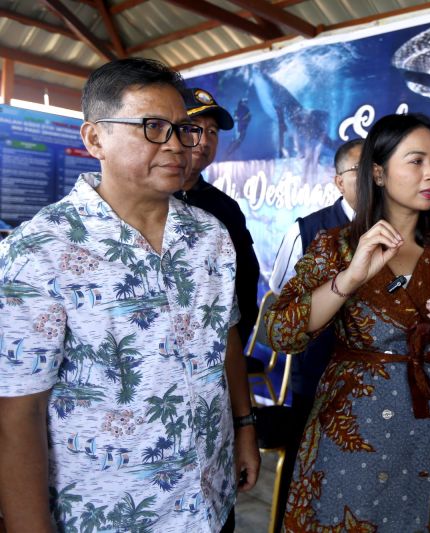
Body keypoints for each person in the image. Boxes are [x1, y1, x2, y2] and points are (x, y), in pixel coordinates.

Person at [0, 58, 259, 533]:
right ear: (95, 138)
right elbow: (18, 413)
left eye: (183, 129)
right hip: (109, 515)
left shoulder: (211, 236)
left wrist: (244, 428)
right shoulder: (39, 251)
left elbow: (225, 338)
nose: (176, 144)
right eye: (152, 127)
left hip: (210, 497)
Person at [265, 113, 430, 532]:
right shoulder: (336, 245)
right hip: (354, 424)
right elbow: (281, 332)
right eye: (416, 161)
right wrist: (350, 278)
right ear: (379, 173)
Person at [267, 138, 362, 531]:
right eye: (360, 171)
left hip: (372, 386)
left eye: (379, 170)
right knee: (307, 475)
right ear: (339, 181)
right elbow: (282, 296)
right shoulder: (310, 230)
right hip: (318, 376)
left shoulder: (401, 231)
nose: (374, 179)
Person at [178, 87, 260, 344]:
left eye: (212, 132)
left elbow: (246, 280)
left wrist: (234, 342)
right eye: (193, 128)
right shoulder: (147, 199)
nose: (204, 141)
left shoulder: (227, 209)